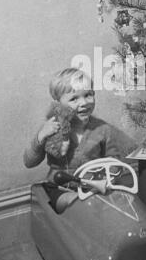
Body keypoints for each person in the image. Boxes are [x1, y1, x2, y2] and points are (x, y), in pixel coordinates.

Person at [24, 67, 121, 210]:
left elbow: (114, 161)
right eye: (74, 98)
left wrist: (108, 179)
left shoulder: (103, 129)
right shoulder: (52, 127)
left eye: (88, 95)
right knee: (74, 202)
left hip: (92, 189)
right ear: (58, 103)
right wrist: (40, 137)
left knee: (113, 203)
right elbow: (29, 162)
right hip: (60, 188)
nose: (83, 103)